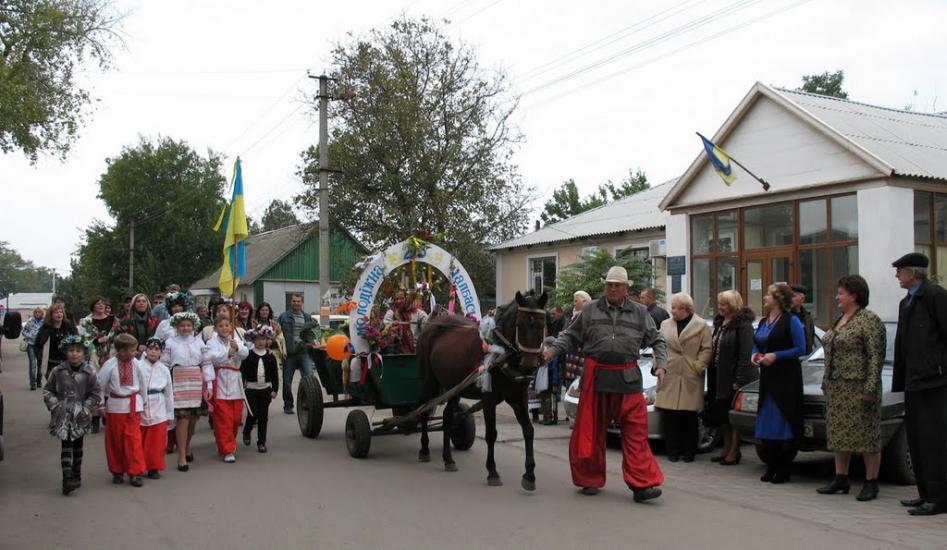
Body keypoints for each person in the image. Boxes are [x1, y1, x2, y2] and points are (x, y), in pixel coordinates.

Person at [544, 266, 665, 503]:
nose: (611, 288)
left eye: (617, 285)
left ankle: (642, 485)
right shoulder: (589, 310)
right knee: (589, 431)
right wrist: (552, 351)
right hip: (596, 377)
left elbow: (657, 339)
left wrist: (661, 364)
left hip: (628, 379)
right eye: (609, 284)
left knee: (635, 435)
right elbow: (570, 336)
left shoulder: (640, 312)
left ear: (626, 289)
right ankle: (589, 480)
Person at [816, 275, 886, 501]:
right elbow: (831, 351)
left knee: (866, 435)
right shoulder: (841, 319)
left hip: (859, 386)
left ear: (854, 295)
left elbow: (875, 356)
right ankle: (841, 478)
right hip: (838, 386)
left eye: (841, 293)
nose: (837, 297)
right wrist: (826, 380)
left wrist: (871, 387)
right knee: (839, 433)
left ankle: (871, 482)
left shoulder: (869, 320)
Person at [891, 252, 947, 516]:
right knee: (916, 439)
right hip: (913, 381)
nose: (897, 276)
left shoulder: (935, 296)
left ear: (914, 273)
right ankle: (924, 493)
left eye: (900, 271)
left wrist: (939, 367)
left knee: (933, 440)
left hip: (934, 382)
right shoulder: (907, 302)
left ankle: (938, 497)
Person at [752, 283, 807, 484]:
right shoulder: (764, 321)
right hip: (767, 377)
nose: (765, 297)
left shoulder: (791, 320)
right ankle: (771, 465)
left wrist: (776, 355)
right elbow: (756, 342)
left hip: (786, 377)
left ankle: (784, 468)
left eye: (769, 294)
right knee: (766, 423)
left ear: (778, 299)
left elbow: (801, 348)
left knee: (782, 422)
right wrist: (754, 355)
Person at [656, 293, 712, 463]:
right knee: (670, 416)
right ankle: (672, 451)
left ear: (685, 309)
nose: (671, 311)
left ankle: (689, 452)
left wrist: (698, 366)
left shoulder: (701, 325)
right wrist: (658, 366)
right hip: (670, 372)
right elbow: (659, 346)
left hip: (690, 373)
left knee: (689, 416)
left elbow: (707, 349)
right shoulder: (665, 324)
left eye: (674, 307)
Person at [43, 335, 101, 495]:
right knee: (66, 444)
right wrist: (55, 404)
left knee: (77, 444)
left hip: (81, 414)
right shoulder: (58, 371)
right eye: (71, 350)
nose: (74, 354)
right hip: (63, 413)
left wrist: (86, 407)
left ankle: (76, 473)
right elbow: (48, 389)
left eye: (78, 351)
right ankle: (66, 477)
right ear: (65, 352)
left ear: (84, 353)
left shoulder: (89, 372)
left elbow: (96, 393)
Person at [706, 290, 756, 465]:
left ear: (733, 305)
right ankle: (726, 448)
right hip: (718, 375)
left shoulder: (743, 326)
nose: (720, 307)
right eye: (719, 304)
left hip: (734, 376)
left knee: (733, 415)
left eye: (724, 304)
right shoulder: (720, 323)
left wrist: (739, 380)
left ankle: (735, 450)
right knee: (722, 414)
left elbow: (744, 355)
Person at [161, 311, 212, 471]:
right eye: (182, 325)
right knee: (182, 419)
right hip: (179, 380)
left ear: (193, 327)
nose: (185, 328)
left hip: (196, 381)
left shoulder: (199, 343)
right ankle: (182, 455)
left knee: (193, 419)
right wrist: (164, 385)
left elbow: (206, 363)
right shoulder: (170, 343)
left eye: (188, 325)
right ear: (177, 327)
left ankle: (187, 446)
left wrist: (209, 384)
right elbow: (164, 364)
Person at [97, 333, 147, 487]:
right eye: (130, 351)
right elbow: (100, 385)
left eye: (134, 351)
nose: (133, 354)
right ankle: (117, 470)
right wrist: (100, 404)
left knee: (133, 440)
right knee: (116, 440)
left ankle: (135, 471)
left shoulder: (137, 364)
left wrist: (143, 402)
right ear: (120, 351)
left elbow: (143, 384)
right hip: (116, 406)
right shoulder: (109, 365)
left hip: (133, 405)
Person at [206, 314, 249, 462]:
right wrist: (228, 353)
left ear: (231, 327)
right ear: (216, 328)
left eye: (227, 325)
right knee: (224, 418)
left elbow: (245, 353)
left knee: (236, 418)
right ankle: (228, 449)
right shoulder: (211, 342)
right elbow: (212, 358)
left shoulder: (236, 340)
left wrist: (237, 348)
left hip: (236, 383)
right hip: (221, 380)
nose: (224, 328)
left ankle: (225, 440)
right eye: (221, 326)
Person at [139, 337, 173, 480]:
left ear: (161, 352)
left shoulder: (164, 369)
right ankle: (139, 466)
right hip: (142, 403)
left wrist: (170, 413)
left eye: (156, 349)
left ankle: (154, 466)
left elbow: (169, 392)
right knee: (140, 438)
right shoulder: (138, 366)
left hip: (159, 403)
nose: (153, 352)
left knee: (157, 439)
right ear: (146, 350)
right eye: (151, 348)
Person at [241, 326, 279, 453]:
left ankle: (261, 442)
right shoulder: (248, 355)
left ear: (267, 340)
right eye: (257, 339)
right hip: (251, 389)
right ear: (253, 341)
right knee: (253, 413)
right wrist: (242, 383)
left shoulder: (270, 356)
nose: (261, 342)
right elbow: (243, 371)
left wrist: (275, 389)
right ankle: (247, 431)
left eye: (263, 339)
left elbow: (275, 374)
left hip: (265, 389)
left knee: (263, 417)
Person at [277, 293, 316, 414]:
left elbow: (312, 334)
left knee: (309, 378)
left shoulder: (307, 317)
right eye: (294, 301)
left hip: (304, 352)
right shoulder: (283, 317)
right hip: (289, 353)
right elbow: (277, 334)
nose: (296, 303)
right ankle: (288, 405)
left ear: (302, 303)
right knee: (287, 381)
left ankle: (308, 403)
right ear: (291, 302)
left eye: (298, 301)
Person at [35, 302, 78, 381]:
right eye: (56, 312)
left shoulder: (69, 327)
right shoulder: (45, 329)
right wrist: (40, 357)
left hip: (67, 362)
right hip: (51, 364)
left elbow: (77, 340)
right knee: (55, 387)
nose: (59, 314)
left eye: (61, 312)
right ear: (51, 315)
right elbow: (37, 345)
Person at [561, 291, 592, 389]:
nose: (574, 303)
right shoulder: (571, 317)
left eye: (576, 301)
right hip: (570, 359)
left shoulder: (587, 317)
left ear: (584, 301)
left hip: (580, 359)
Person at [79, 296, 118, 369]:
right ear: (93, 307)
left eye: (103, 303)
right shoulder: (85, 322)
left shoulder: (114, 320)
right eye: (98, 304)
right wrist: (97, 341)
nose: (101, 305)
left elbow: (120, 336)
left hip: (112, 354)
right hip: (92, 357)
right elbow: (82, 340)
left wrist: (110, 338)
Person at [22, 307, 45, 390]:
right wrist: (31, 336)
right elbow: (24, 332)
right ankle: (32, 383)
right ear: (34, 313)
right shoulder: (30, 321)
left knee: (40, 364)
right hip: (31, 344)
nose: (37, 313)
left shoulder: (44, 322)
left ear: (42, 313)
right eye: (36, 312)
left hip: (41, 346)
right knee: (32, 364)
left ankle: (39, 380)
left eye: (39, 312)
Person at [790, 284, 816, 355]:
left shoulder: (807, 317)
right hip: (790, 358)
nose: (789, 299)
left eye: (793, 296)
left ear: (802, 299)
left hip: (805, 359)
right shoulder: (785, 317)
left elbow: (811, 338)